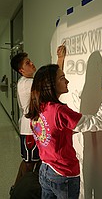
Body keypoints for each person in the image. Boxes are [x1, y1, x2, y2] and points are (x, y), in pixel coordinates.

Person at [26, 63, 102, 199]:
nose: (67, 81)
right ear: (51, 84)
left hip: (45, 170)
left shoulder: (38, 105)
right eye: (62, 78)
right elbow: (99, 122)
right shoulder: (59, 111)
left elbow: (54, 131)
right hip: (63, 174)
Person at [10, 44, 66, 194]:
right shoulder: (26, 84)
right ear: (21, 70)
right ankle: (18, 191)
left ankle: (16, 189)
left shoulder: (28, 82)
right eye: (27, 63)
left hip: (31, 128)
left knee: (29, 161)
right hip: (29, 130)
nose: (32, 63)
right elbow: (52, 83)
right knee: (29, 163)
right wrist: (60, 59)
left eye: (30, 60)